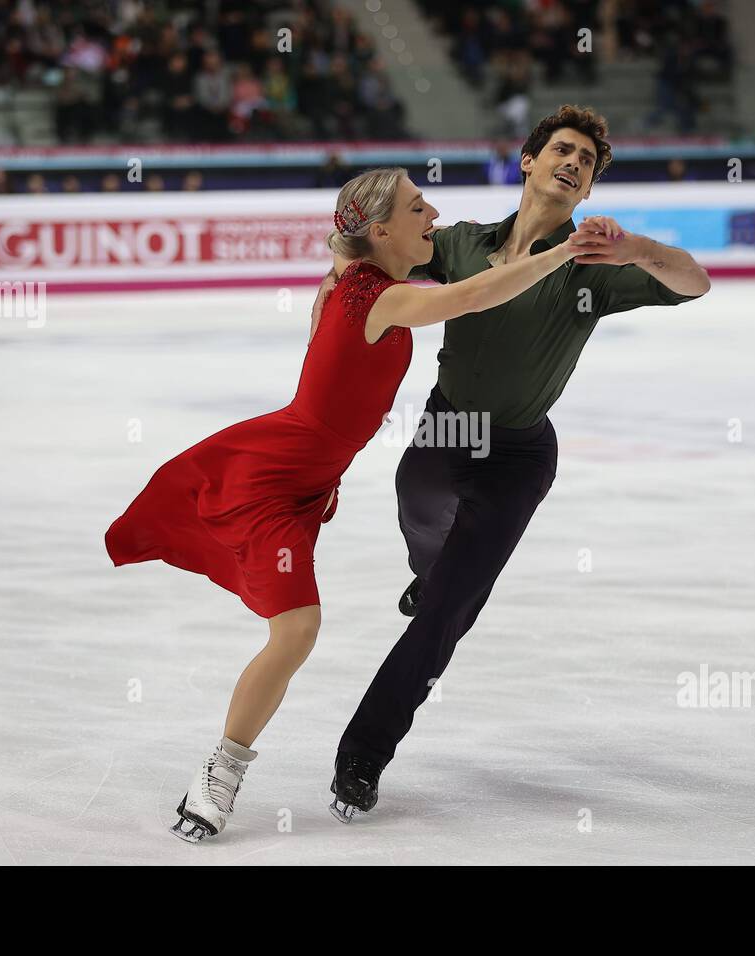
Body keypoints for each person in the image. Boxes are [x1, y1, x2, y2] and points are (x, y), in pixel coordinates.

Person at [104, 166, 590, 842]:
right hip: (273, 479)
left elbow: (347, 246)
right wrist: (562, 252)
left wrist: (345, 246)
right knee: (297, 629)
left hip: (306, 481)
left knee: (293, 627)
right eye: (419, 207)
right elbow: (475, 295)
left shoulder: (354, 278)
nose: (435, 214)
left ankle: (225, 766)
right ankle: (220, 772)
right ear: (383, 229)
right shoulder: (378, 298)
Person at [316, 106, 711, 822]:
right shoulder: (462, 244)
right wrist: (338, 269)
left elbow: (694, 283)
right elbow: (380, 252)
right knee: (420, 529)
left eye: (587, 162)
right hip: (445, 430)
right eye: (563, 149)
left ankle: (363, 753)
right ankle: (425, 575)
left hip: (519, 456)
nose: (574, 163)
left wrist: (638, 250)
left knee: (444, 617)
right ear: (528, 161)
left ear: (587, 191)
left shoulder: (593, 268)